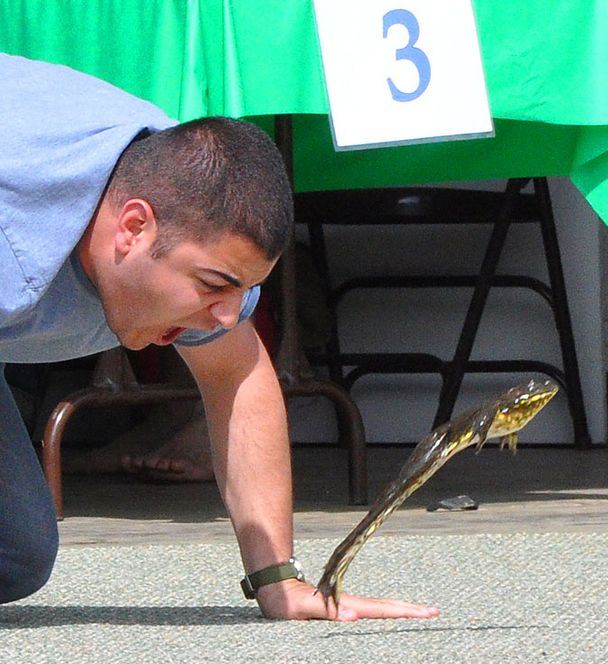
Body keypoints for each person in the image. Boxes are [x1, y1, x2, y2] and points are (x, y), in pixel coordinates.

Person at [0, 53, 439, 621]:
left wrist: (277, 579)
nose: (229, 318)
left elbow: (238, 375)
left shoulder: (176, 193)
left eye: (243, 290)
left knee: (16, 554)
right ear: (132, 228)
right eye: (214, 285)